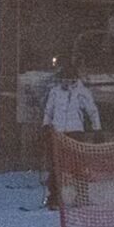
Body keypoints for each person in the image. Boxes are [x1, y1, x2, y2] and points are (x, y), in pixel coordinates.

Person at [40, 62, 100, 210]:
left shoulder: (82, 92)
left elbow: (92, 111)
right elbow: (49, 110)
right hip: (58, 132)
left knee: (77, 165)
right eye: (63, 79)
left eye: (68, 79)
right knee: (55, 165)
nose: (65, 82)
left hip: (75, 132)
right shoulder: (55, 92)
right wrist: (46, 125)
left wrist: (97, 129)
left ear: (74, 79)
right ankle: (54, 197)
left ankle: (81, 195)